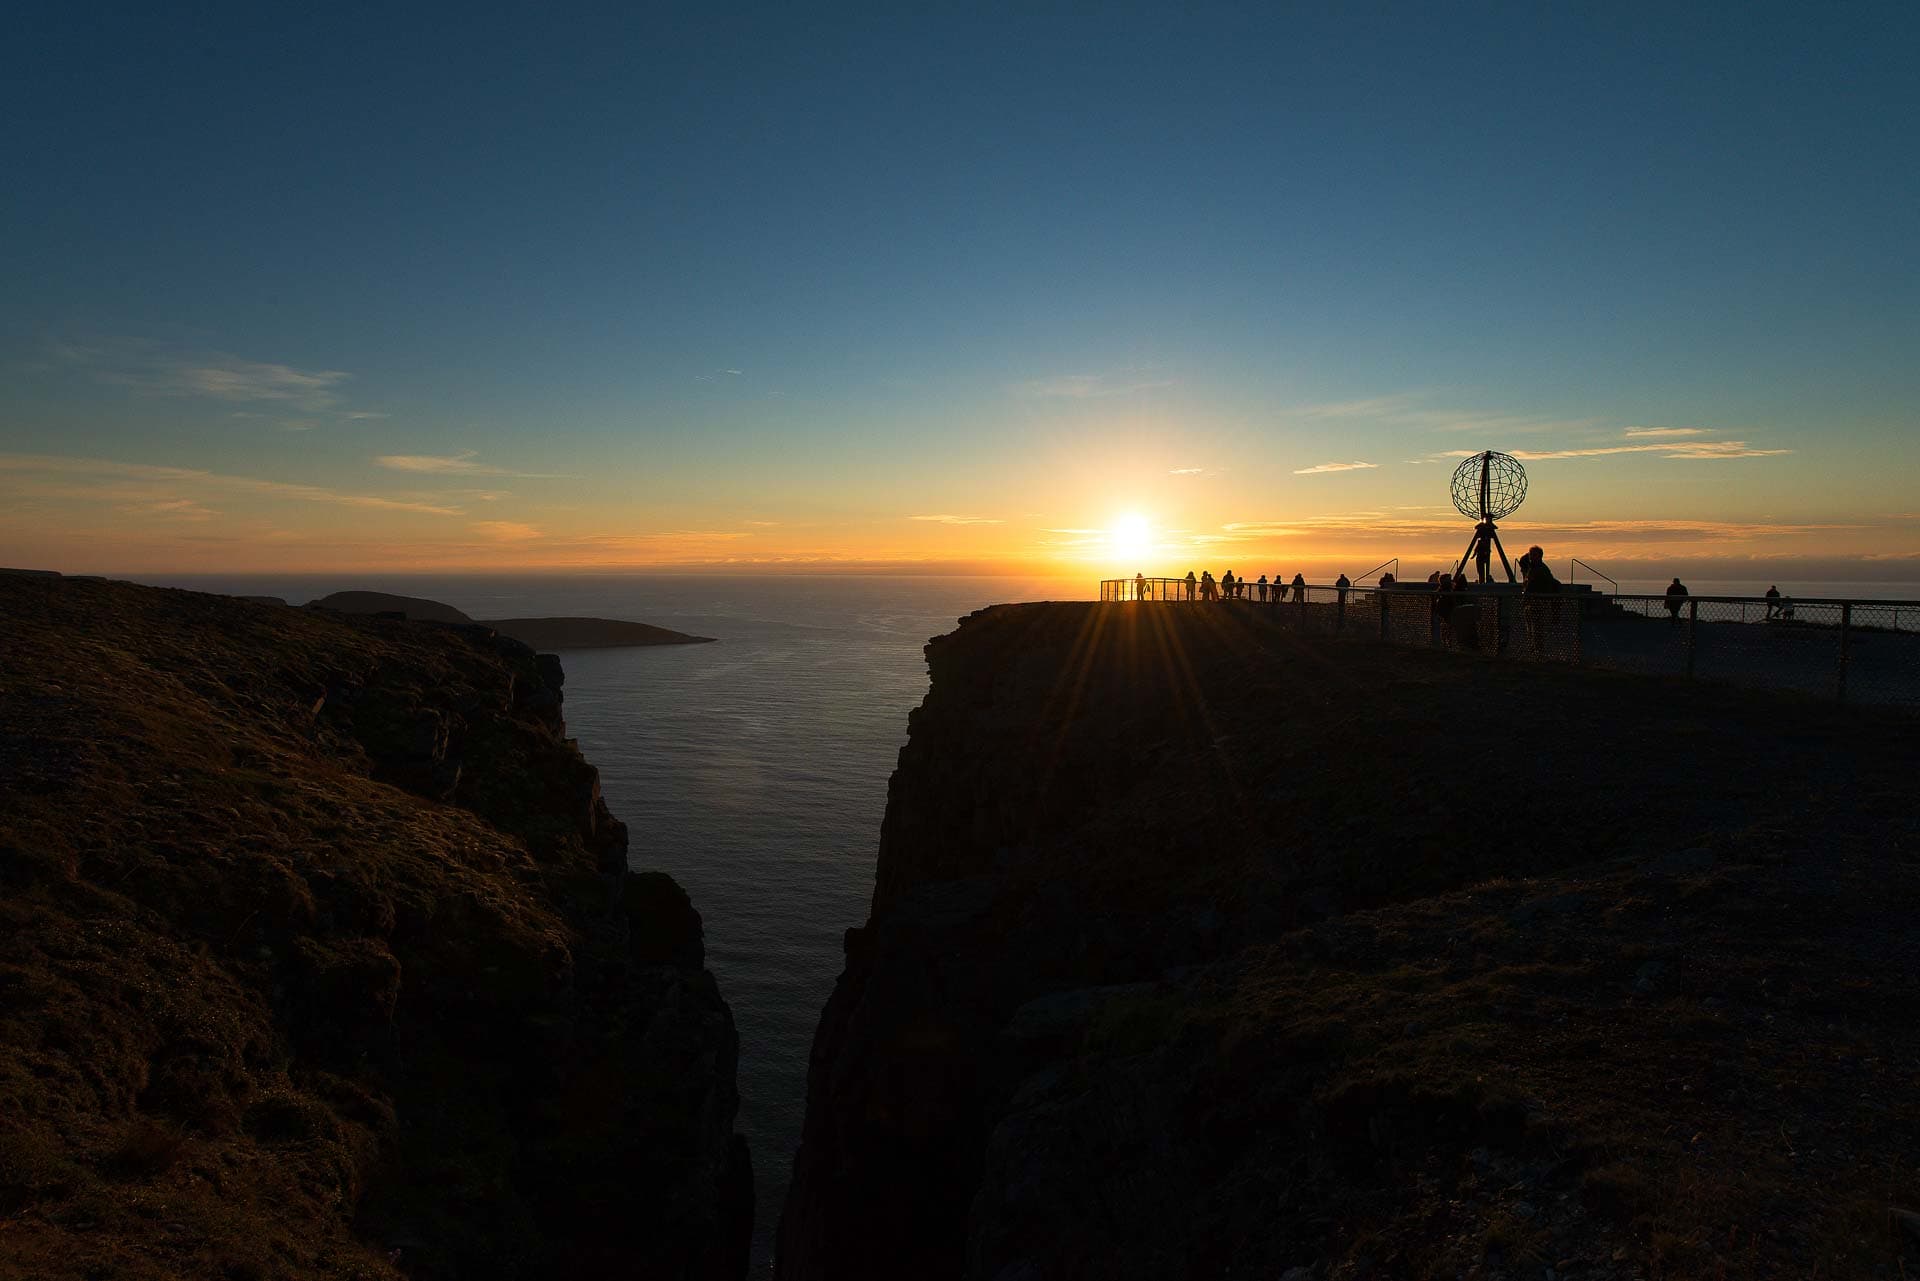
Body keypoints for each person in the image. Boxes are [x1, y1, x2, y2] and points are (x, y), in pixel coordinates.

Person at [1522, 545, 1560, 654]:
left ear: (1539, 556)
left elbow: (1547, 585)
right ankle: (1534, 650)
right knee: (1531, 629)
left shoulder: (1541, 570)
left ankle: (1538, 651)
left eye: (1534, 555)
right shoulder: (1532, 568)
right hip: (1531, 603)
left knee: (1537, 629)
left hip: (1538, 603)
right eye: (1531, 555)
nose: (1531, 557)